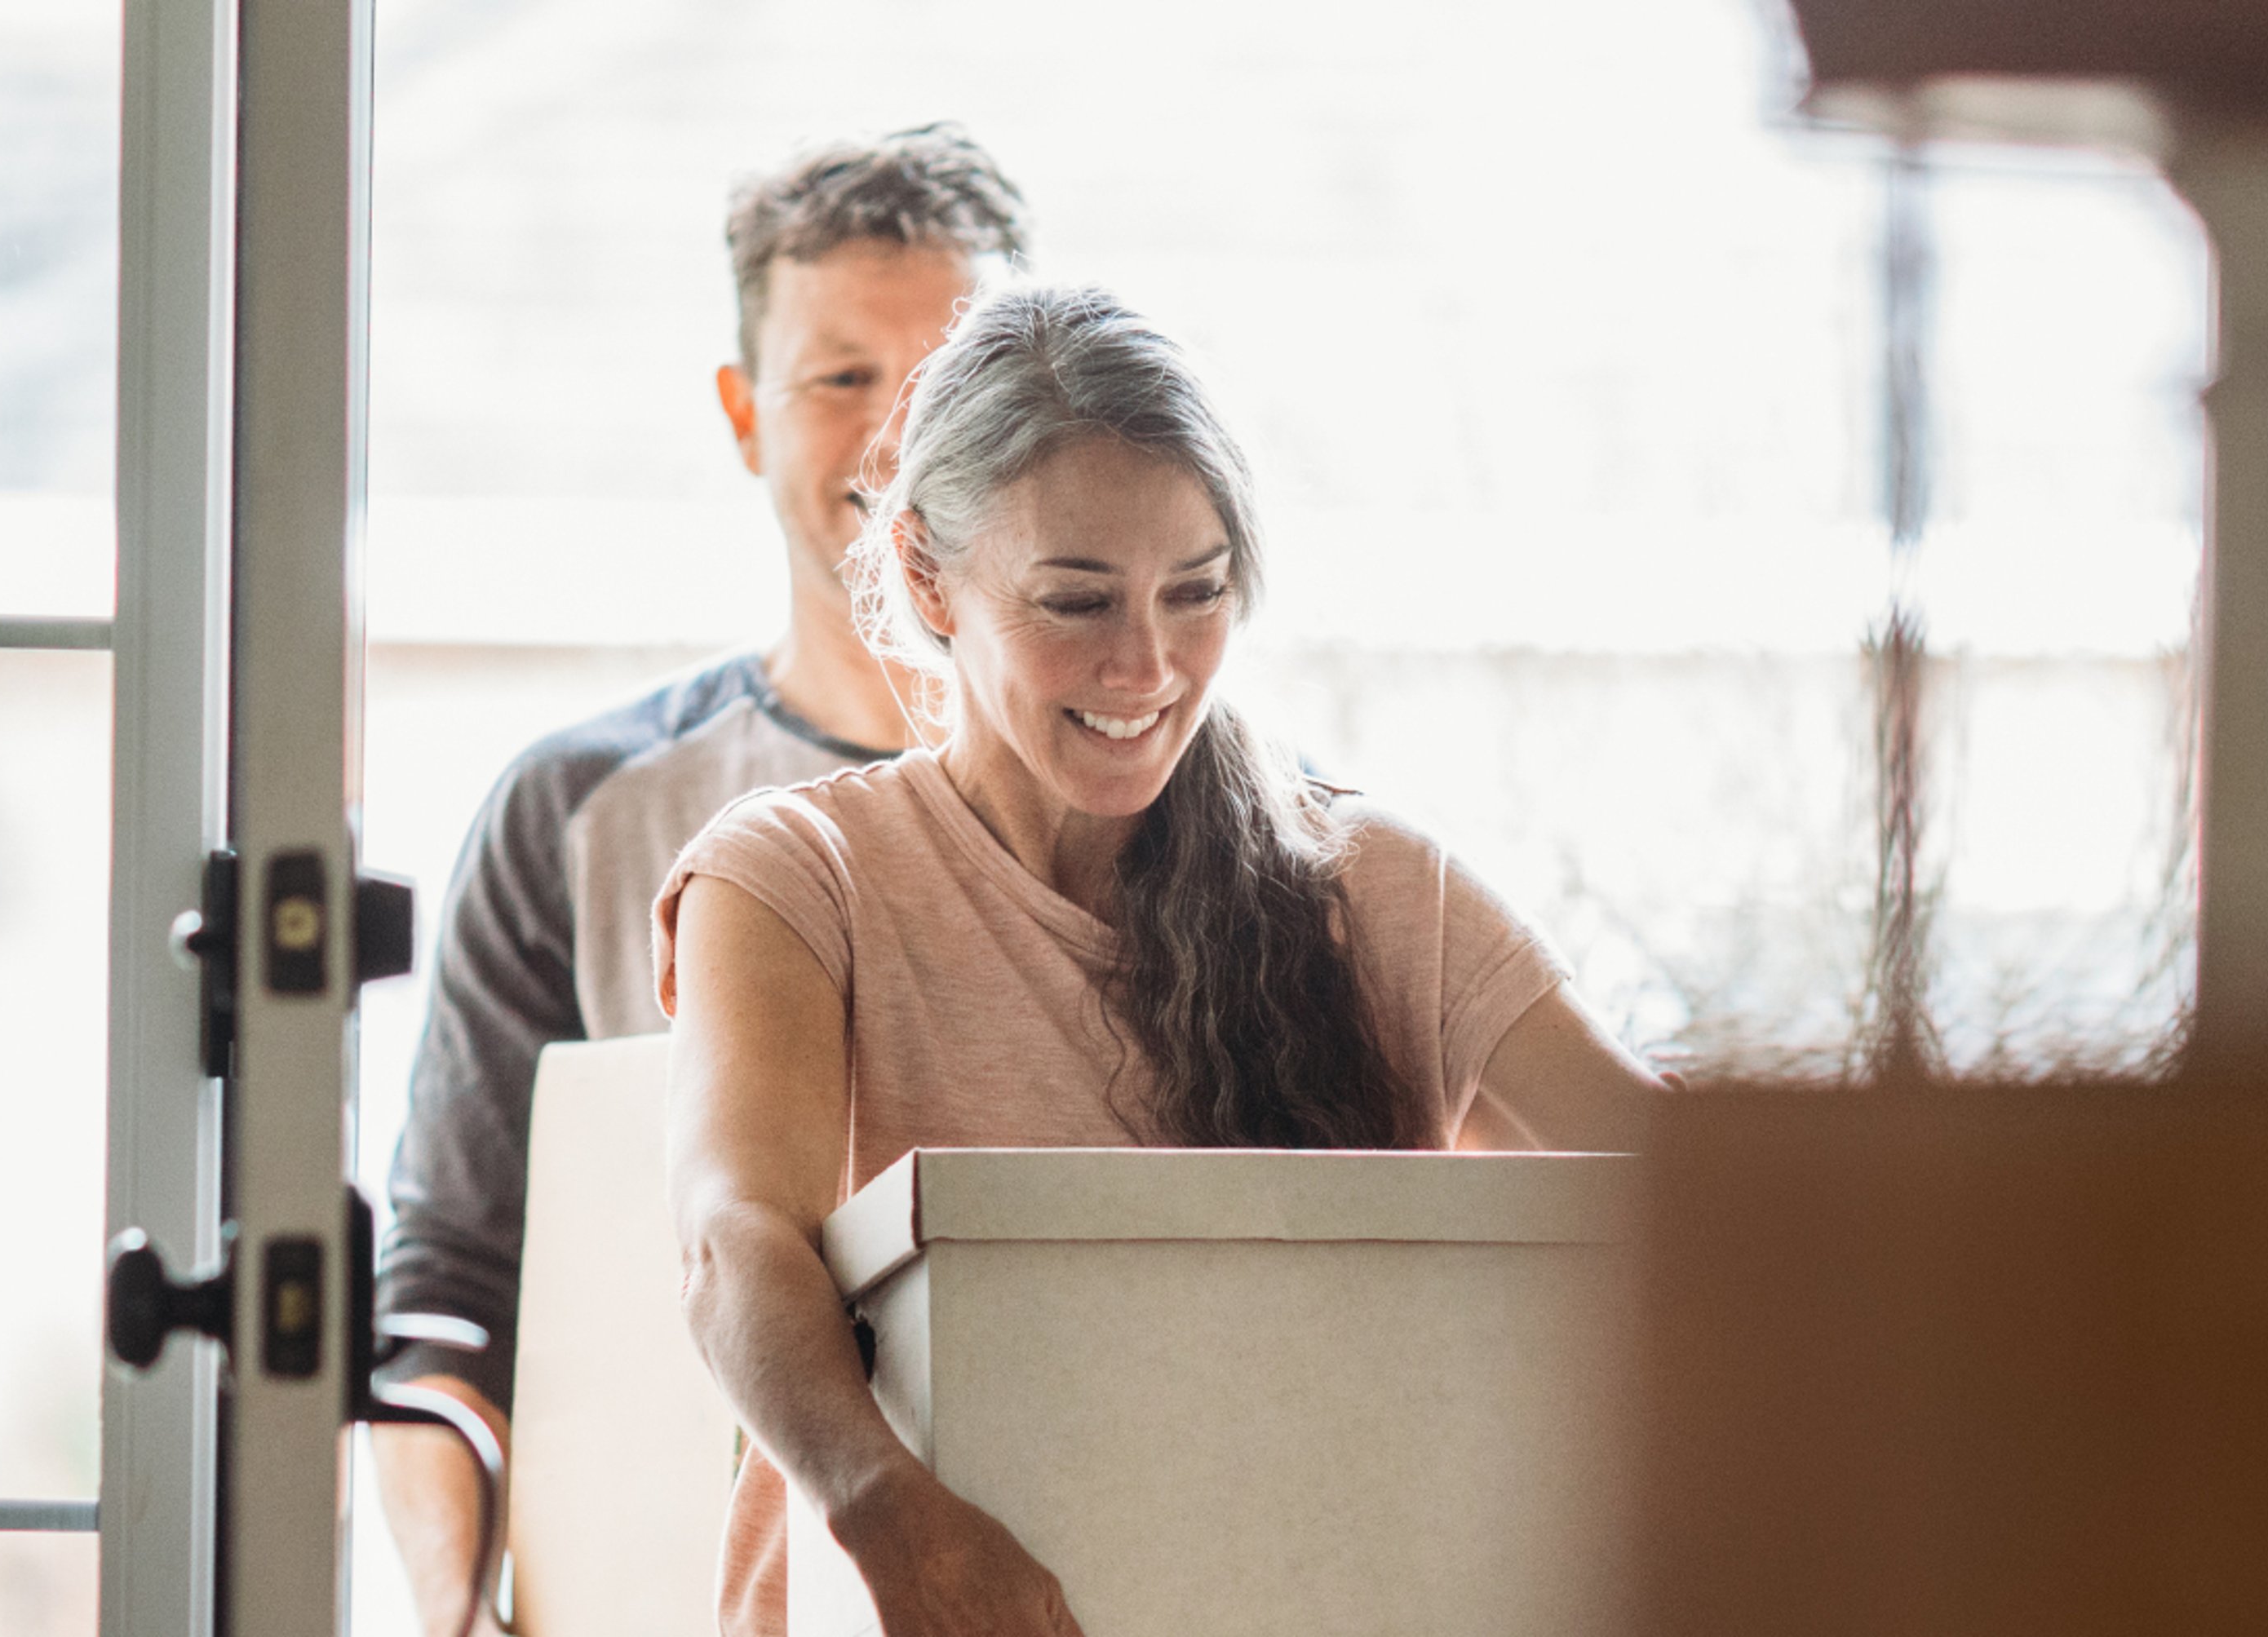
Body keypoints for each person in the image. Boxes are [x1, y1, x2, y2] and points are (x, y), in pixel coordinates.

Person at [656, 284, 1669, 1636]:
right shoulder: (798, 875)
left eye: (1196, 594)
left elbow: (1704, 1210)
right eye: (1076, 601)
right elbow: (734, 1244)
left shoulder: (1373, 891)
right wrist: (893, 1519)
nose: (1146, 667)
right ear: (925, 578)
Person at [371, 125, 1030, 1635]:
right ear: (745, 414)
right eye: (840, 377)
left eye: (950, 378)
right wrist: (457, 1612)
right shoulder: (578, 816)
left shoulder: (1179, 825)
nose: (898, 438)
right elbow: (449, 1298)